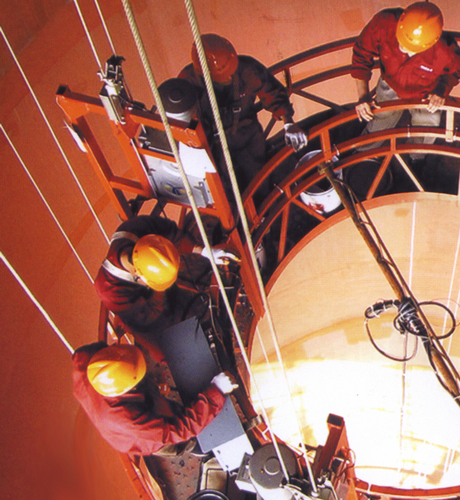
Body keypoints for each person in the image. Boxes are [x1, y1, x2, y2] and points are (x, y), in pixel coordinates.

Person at [179, 33, 307, 189]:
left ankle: (263, 199)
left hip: (247, 136)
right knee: (226, 188)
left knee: (259, 180)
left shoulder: (248, 69)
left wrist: (288, 122)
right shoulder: (188, 83)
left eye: (231, 72)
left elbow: (272, 92)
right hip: (215, 145)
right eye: (223, 75)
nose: (229, 77)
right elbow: (184, 121)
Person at [72, 342, 237, 456]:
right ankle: (198, 448)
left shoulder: (88, 358)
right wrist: (216, 391)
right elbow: (178, 429)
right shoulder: (130, 421)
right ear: (128, 388)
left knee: (167, 407)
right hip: (141, 437)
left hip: (128, 405)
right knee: (179, 439)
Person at [94, 215, 236, 340]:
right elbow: (151, 321)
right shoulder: (111, 293)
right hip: (147, 314)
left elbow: (174, 235)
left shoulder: (136, 228)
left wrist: (205, 251)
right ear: (137, 275)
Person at [350, 2, 460, 151]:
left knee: (426, 127)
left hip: (426, 94)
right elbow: (361, 53)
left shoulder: (444, 52)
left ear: (430, 44)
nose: (403, 48)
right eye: (401, 40)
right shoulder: (384, 23)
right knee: (380, 121)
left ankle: (417, 158)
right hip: (390, 84)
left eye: (411, 48)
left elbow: (459, 67)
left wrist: (441, 91)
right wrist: (363, 96)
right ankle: (362, 153)